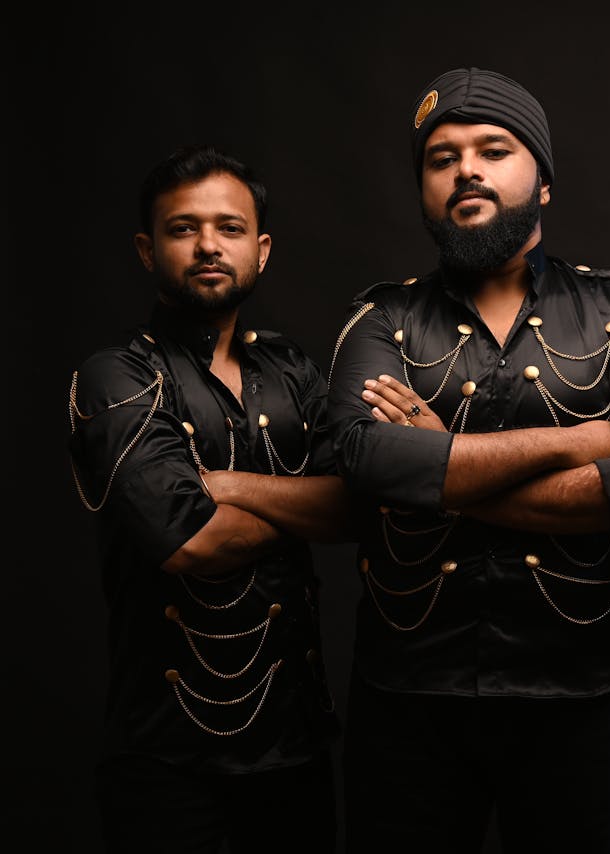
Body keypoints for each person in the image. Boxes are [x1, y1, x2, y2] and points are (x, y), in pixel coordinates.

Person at [325, 66, 610, 853]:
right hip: (408, 698)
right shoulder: (381, 316)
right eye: (441, 156)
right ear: (424, 187)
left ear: (544, 182)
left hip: (584, 697)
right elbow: (362, 457)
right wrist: (583, 438)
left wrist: (439, 466)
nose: (466, 170)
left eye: (494, 148)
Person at [67, 144, 351, 853]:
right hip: (165, 759)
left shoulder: (292, 370)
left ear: (261, 249)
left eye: (228, 228)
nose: (206, 246)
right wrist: (309, 504)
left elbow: (363, 506)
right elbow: (190, 542)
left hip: (297, 748)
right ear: (147, 248)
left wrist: (234, 488)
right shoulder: (117, 377)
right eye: (182, 228)